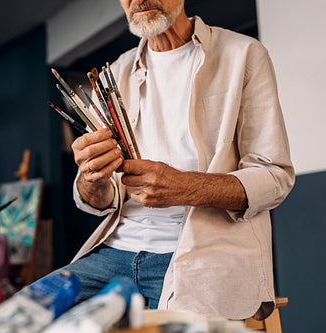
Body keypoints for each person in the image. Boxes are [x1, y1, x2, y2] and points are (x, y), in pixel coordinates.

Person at [58, 0, 295, 320]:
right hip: (114, 252)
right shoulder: (114, 75)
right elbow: (98, 201)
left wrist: (187, 187)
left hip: (205, 256)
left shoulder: (244, 55)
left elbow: (274, 177)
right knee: (15, 318)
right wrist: (90, 176)